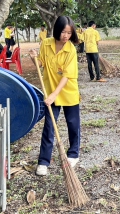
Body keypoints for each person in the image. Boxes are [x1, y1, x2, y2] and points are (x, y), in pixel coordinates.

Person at [29, 16, 81, 176]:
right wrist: (34, 60)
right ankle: (44, 161)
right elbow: (42, 64)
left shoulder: (70, 49)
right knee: (49, 126)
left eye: (69, 33)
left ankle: (73, 154)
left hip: (67, 91)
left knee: (73, 124)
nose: (66, 36)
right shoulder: (46, 44)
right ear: (57, 30)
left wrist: (54, 95)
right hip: (50, 92)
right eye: (64, 32)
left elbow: (66, 76)